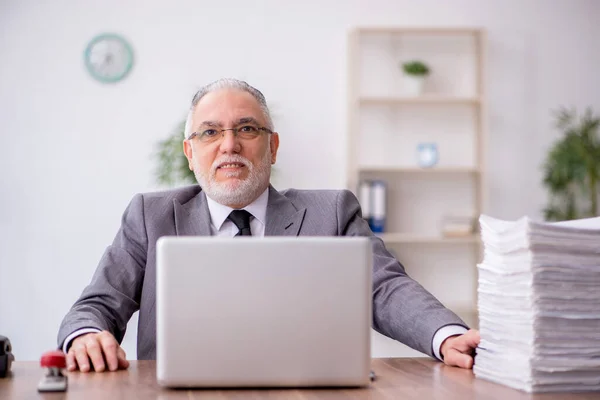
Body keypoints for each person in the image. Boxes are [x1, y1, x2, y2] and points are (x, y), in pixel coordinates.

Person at [57, 78, 480, 373]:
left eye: (246, 128)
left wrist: (443, 334)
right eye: (210, 133)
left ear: (272, 146)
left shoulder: (330, 212)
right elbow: (97, 305)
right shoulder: (150, 217)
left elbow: (383, 287)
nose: (229, 145)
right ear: (190, 152)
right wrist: (87, 336)